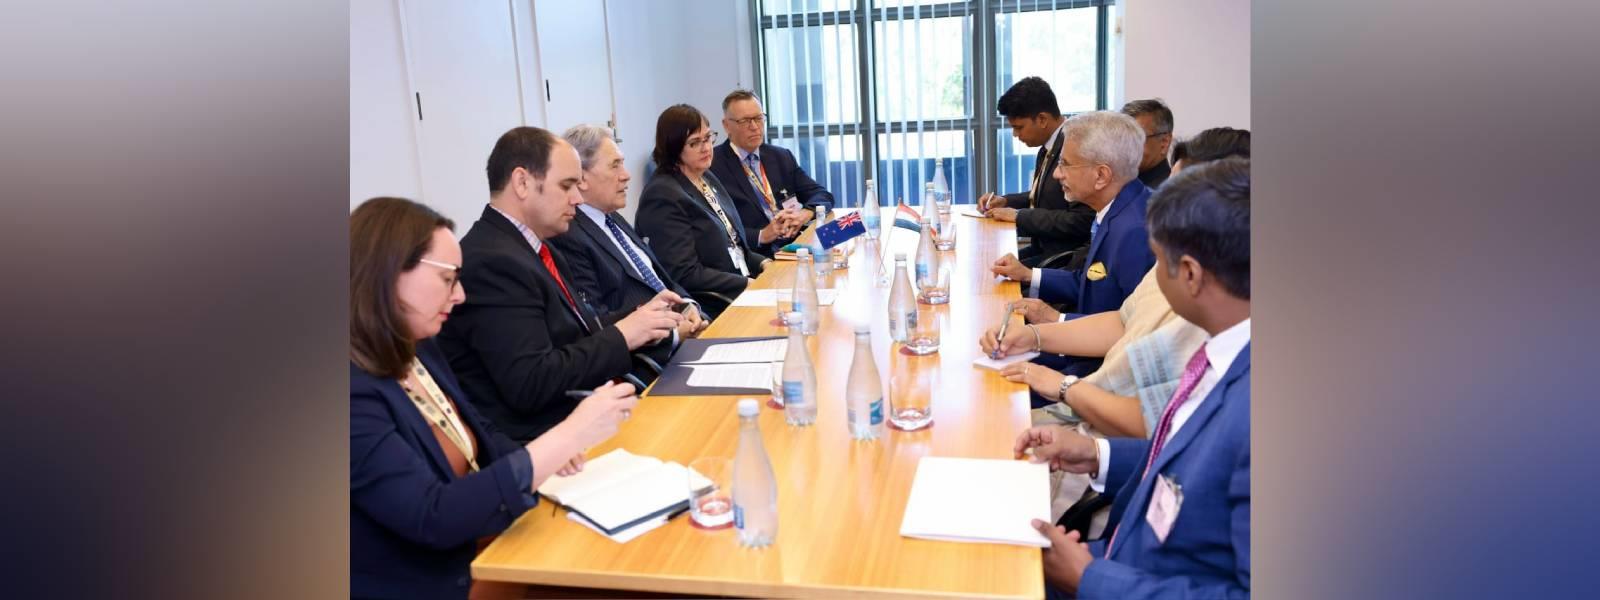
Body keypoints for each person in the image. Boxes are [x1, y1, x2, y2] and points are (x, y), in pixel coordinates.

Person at [350, 197, 638, 599]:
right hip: (437, 580)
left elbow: (477, 429)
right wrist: (567, 437)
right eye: (449, 278)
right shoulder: (348, 393)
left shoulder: (418, 346)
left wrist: (543, 457)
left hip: (486, 545)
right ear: (389, 273)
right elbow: (432, 515)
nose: (460, 295)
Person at [1016, 158, 1251, 599]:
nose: (1153, 279)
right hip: (1123, 555)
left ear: (1191, 275)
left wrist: (1091, 580)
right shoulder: (1226, 354)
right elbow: (1191, 465)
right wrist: (1098, 455)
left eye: (1159, 264)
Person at [437, 126, 684, 443]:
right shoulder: (492, 262)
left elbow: (574, 329)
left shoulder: (535, 245)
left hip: (578, 416)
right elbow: (532, 383)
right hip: (543, 441)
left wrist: (643, 318)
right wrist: (624, 335)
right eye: (567, 185)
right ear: (523, 182)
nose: (578, 198)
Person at [989, 111, 1157, 380]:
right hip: (1079, 347)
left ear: (1101, 175)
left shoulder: (1135, 231)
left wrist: (1055, 321)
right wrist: (1029, 275)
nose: (1057, 173)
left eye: (1066, 164)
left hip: (1095, 371)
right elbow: (1092, 280)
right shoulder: (1119, 209)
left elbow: (1131, 328)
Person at [548, 124, 708, 339]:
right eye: (615, 166)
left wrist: (689, 306)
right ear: (581, 178)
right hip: (652, 359)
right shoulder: (569, 237)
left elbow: (661, 280)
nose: (626, 175)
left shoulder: (612, 217)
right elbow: (597, 324)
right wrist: (672, 334)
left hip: (688, 329)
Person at [636, 104, 770, 310]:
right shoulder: (663, 195)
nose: (706, 147)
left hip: (741, 285)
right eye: (694, 143)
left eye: (707, 138)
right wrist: (747, 284)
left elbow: (734, 244)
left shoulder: (705, 175)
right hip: (714, 304)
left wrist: (765, 264)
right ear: (673, 148)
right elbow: (684, 274)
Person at [976, 76, 1097, 267]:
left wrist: (1019, 216)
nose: (1016, 135)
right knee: (986, 264)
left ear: (1042, 119)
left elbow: (1081, 220)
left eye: (1019, 127)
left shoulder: (1074, 147)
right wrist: (1007, 201)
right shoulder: (1047, 147)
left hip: (1064, 259)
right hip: (1042, 248)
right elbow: (1049, 195)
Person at [709, 89, 826, 256]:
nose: (755, 127)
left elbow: (821, 195)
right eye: (745, 121)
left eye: (758, 118)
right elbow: (717, 229)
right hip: (758, 255)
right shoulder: (713, 166)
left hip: (796, 245)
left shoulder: (780, 156)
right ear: (727, 125)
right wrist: (762, 235)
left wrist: (805, 214)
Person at [1121, 98, 1175, 189]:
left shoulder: (1169, 195)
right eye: (1121, 138)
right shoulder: (1113, 188)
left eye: (1136, 138)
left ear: (1164, 142)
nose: (1125, 146)